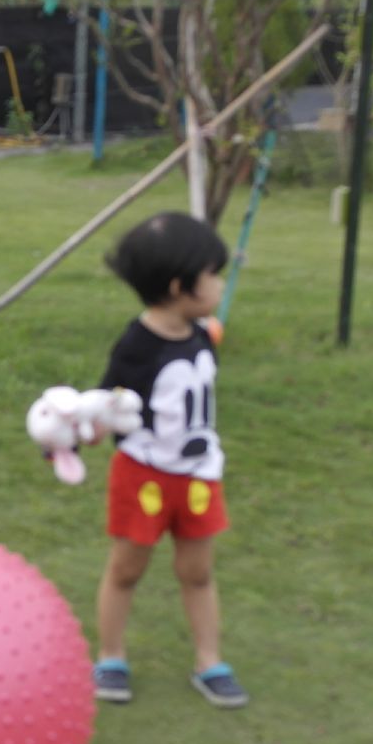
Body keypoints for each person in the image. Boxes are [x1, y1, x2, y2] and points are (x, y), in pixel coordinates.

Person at [90, 211, 249, 710]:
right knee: (126, 569)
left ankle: (209, 661)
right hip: (144, 478)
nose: (220, 283)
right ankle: (111, 656)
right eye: (213, 274)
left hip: (199, 478)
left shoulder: (200, 331)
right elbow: (108, 402)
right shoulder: (137, 346)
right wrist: (87, 427)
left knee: (198, 571)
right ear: (180, 288)